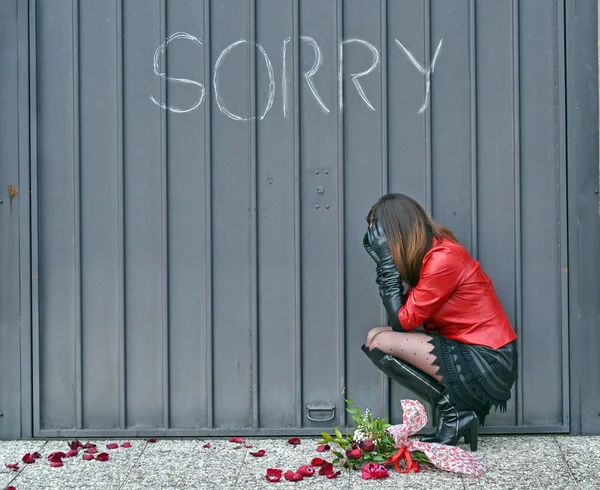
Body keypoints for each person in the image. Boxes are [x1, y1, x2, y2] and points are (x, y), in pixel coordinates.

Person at [361, 193, 518, 451]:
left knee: (381, 341)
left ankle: (456, 415)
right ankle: (456, 416)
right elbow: (405, 316)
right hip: (467, 347)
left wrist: (386, 265)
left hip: (489, 357)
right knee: (374, 337)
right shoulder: (430, 253)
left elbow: (404, 322)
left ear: (397, 232)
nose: (384, 246)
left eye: (383, 238)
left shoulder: (443, 257)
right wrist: (385, 263)